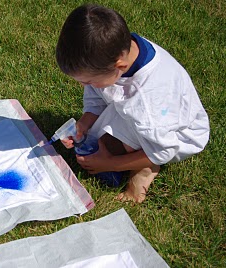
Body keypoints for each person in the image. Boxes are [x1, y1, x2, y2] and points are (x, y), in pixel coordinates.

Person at [55, 3, 210, 203]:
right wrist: (83, 124)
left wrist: (110, 164)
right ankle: (123, 153)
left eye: (89, 81)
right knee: (94, 143)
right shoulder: (119, 49)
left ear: (120, 66)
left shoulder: (147, 101)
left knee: (101, 156)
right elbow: (97, 95)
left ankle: (143, 171)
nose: (85, 85)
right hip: (144, 116)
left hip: (176, 136)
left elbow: (162, 151)